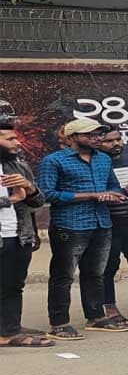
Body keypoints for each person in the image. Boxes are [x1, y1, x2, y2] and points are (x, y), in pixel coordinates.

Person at [37, 117, 128, 340]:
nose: (96, 139)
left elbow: (113, 186)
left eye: (99, 135)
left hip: (101, 222)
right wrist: (92, 195)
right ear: (71, 138)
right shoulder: (54, 161)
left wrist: (113, 194)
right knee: (63, 275)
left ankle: (96, 317)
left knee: (96, 273)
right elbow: (47, 194)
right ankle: (59, 323)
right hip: (69, 224)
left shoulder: (103, 160)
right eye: (90, 135)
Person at [0, 120, 52, 347]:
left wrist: (29, 188)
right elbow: (12, 200)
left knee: (13, 285)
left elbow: (39, 201)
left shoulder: (19, 166)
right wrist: (7, 200)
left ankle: (10, 329)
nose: (16, 142)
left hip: (19, 235)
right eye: (9, 139)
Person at [95, 130, 128, 327]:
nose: (115, 143)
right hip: (108, 225)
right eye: (109, 141)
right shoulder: (95, 165)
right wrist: (123, 192)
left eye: (118, 139)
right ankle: (110, 308)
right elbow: (94, 194)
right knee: (107, 268)